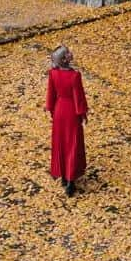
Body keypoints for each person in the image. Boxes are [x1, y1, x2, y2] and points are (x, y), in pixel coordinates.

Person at [46, 44, 88, 196]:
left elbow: (50, 96)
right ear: (64, 59)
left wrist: (51, 109)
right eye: (68, 53)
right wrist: (82, 113)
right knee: (72, 144)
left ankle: (63, 176)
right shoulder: (75, 76)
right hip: (71, 112)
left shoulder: (53, 73)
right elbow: (79, 97)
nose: (71, 54)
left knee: (61, 144)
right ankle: (71, 181)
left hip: (59, 111)